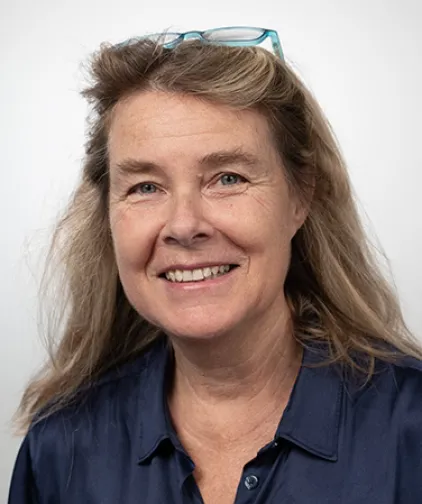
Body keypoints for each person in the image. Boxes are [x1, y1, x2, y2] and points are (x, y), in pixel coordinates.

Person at [7, 26, 422, 504]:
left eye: (228, 178)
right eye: (145, 187)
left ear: (301, 196)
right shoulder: (60, 452)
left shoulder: (410, 430)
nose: (184, 225)